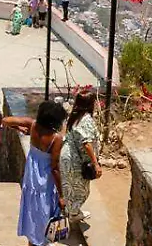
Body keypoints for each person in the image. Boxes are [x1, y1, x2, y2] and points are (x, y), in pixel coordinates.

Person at [3, 101, 67, 246]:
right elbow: (55, 168)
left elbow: (5, 120)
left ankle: (32, 241)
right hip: (45, 180)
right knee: (44, 214)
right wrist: (62, 195)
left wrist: (19, 127)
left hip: (31, 177)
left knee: (33, 210)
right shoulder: (56, 139)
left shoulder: (32, 125)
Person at [60, 91, 103, 223]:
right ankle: (74, 213)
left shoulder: (74, 117)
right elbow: (87, 143)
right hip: (75, 160)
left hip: (66, 156)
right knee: (82, 189)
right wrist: (95, 164)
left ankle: (71, 211)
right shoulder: (86, 120)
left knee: (70, 186)